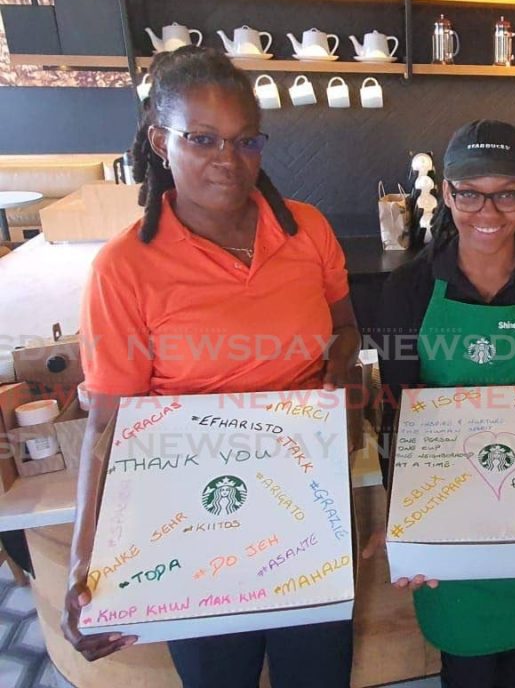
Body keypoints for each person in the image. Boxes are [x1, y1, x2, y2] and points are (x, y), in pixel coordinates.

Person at [62, 47, 361, 688]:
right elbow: (106, 427)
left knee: (319, 675)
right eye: (202, 139)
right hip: (191, 520)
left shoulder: (307, 230)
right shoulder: (124, 269)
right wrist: (83, 563)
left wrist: (342, 384)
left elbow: (345, 328)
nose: (228, 160)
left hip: (309, 507)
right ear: (159, 141)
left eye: (245, 140)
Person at [374, 120, 515, 688]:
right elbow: (398, 414)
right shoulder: (409, 290)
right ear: (446, 194)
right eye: (469, 193)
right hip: (444, 512)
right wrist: (408, 529)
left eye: (505, 193)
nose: (487, 210)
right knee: (465, 660)